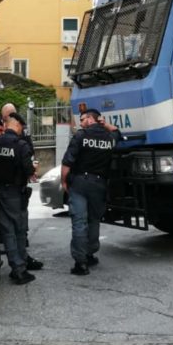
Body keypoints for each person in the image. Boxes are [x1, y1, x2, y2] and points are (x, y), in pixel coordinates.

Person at [60, 109, 122, 276]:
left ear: (89, 119)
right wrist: (104, 124)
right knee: (94, 220)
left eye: (82, 119)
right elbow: (117, 131)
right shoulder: (109, 137)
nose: (80, 123)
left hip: (79, 183)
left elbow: (67, 161)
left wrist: (64, 181)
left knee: (79, 222)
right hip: (99, 184)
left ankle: (80, 263)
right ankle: (90, 254)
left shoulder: (80, 136)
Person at [0, 113, 42, 284]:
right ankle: (19, 269)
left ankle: (18, 265)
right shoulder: (21, 146)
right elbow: (29, 170)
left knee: (7, 230)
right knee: (18, 230)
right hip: (14, 193)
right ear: (17, 125)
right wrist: (33, 168)